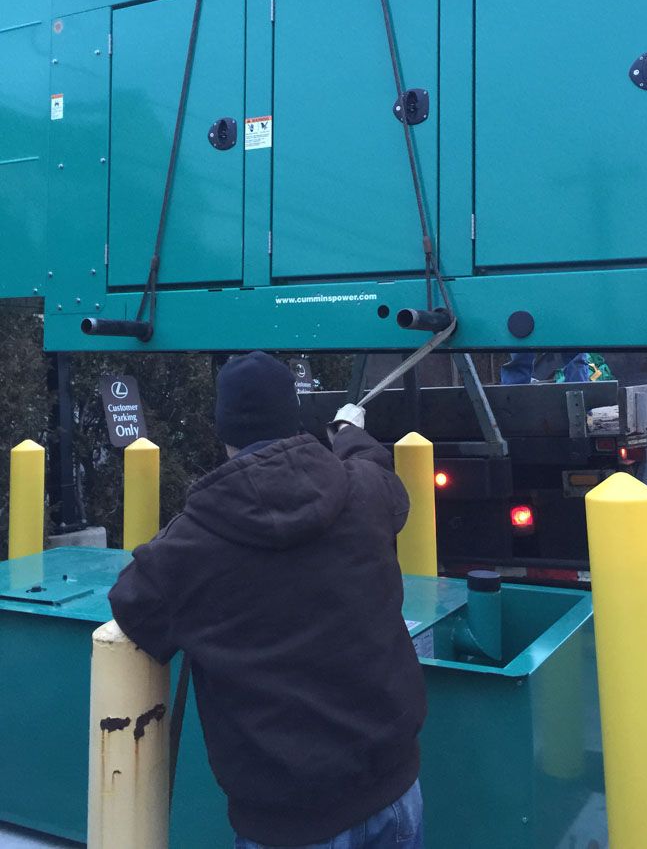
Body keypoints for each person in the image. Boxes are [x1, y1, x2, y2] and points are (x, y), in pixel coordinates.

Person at [108, 350, 426, 849]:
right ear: (292, 416)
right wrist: (348, 432)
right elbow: (377, 469)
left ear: (222, 428)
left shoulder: (194, 543)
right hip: (396, 797)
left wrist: (186, 526)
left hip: (290, 827)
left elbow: (134, 604)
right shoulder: (365, 491)